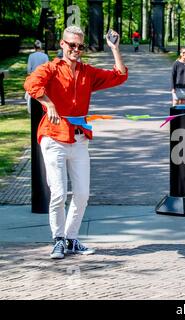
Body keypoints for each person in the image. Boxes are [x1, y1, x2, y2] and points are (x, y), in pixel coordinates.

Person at [24, 26, 128, 259]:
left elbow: (120, 76)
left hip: (79, 139)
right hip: (53, 137)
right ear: (62, 44)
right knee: (59, 193)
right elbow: (31, 84)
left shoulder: (87, 72)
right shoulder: (50, 68)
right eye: (72, 45)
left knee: (82, 194)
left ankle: (71, 238)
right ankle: (58, 239)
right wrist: (48, 103)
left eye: (80, 46)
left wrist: (114, 48)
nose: (76, 50)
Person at [25, 40, 49, 113]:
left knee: (31, 96)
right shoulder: (45, 56)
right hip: (43, 79)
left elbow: (29, 69)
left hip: (33, 79)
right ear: (41, 47)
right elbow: (48, 68)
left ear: (34, 47)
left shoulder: (31, 56)